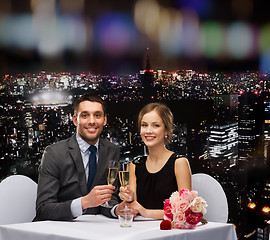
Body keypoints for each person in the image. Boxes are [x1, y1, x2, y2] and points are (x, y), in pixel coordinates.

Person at [35, 94, 126, 221]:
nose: (92, 121)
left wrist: (116, 209)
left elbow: (109, 198)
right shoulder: (54, 153)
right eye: (85, 115)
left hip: (95, 228)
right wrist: (83, 203)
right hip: (58, 229)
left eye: (97, 115)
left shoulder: (112, 150)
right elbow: (43, 209)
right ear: (75, 120)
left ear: (104, 120)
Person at [119, 102, 192, 219]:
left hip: (171, 231)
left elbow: (185, 211)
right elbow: (133, 208)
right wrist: (127, 198)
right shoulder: (135, 164)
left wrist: (146, 212)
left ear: (167, 130)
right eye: (144, 125)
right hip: (141, 230)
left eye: (156, 125)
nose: (148, 131)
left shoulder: (179, 162)